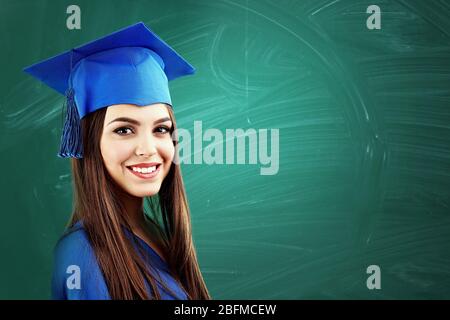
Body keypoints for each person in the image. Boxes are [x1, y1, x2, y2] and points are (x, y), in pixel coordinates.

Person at [23, 22, 211, 300]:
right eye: (124, 130)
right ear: (88, 143)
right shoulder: (83, 256)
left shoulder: (155, 234)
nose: (148, 149)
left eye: (161, 129)